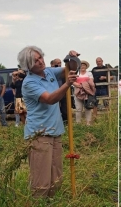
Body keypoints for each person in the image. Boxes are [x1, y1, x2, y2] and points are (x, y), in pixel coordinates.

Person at [17, 45, 78, 199]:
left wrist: (70, 58)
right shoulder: (29, 82)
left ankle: (53, 200)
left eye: (40, 57)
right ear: (28, 65)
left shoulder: (50, 72)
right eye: (35, 60)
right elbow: (50, 99)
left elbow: (70, 69)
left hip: (56, 131)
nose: (40, 62)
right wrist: (67, 85)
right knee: (41, 178)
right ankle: (39, 202)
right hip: (39, 134)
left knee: (56, 175)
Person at [73, 60, 95, 125]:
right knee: (78, 108)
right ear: (79, 66)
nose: (83, 66)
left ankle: (88, 123)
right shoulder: (76, 73)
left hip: (87, 93)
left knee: (88, 107)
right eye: (81, 65)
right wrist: (76, 84)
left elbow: (91, 82)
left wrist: (84, 84)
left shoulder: (89, 73)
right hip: (77, 92)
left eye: (84, 65)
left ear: (86, 67)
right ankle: (78, 123)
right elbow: (72, 81)